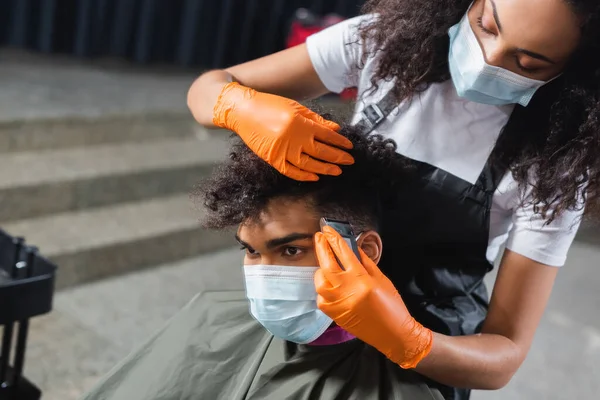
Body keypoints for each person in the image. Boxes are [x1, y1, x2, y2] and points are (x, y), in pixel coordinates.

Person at [186, 1, 600, 399]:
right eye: (486, 25)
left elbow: (504, 355)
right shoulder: (381, 44)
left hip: (434, 346)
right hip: (317, 309)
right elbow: (207, 89)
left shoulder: (556, 166)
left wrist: (410, 340)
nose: (489, 58)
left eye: (528, 64)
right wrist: (238, 105)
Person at [80, 113, 443, 400]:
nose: (265, 276)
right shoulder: (207, 317)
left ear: (364, 251)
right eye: (251, 250)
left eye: (290, 249)